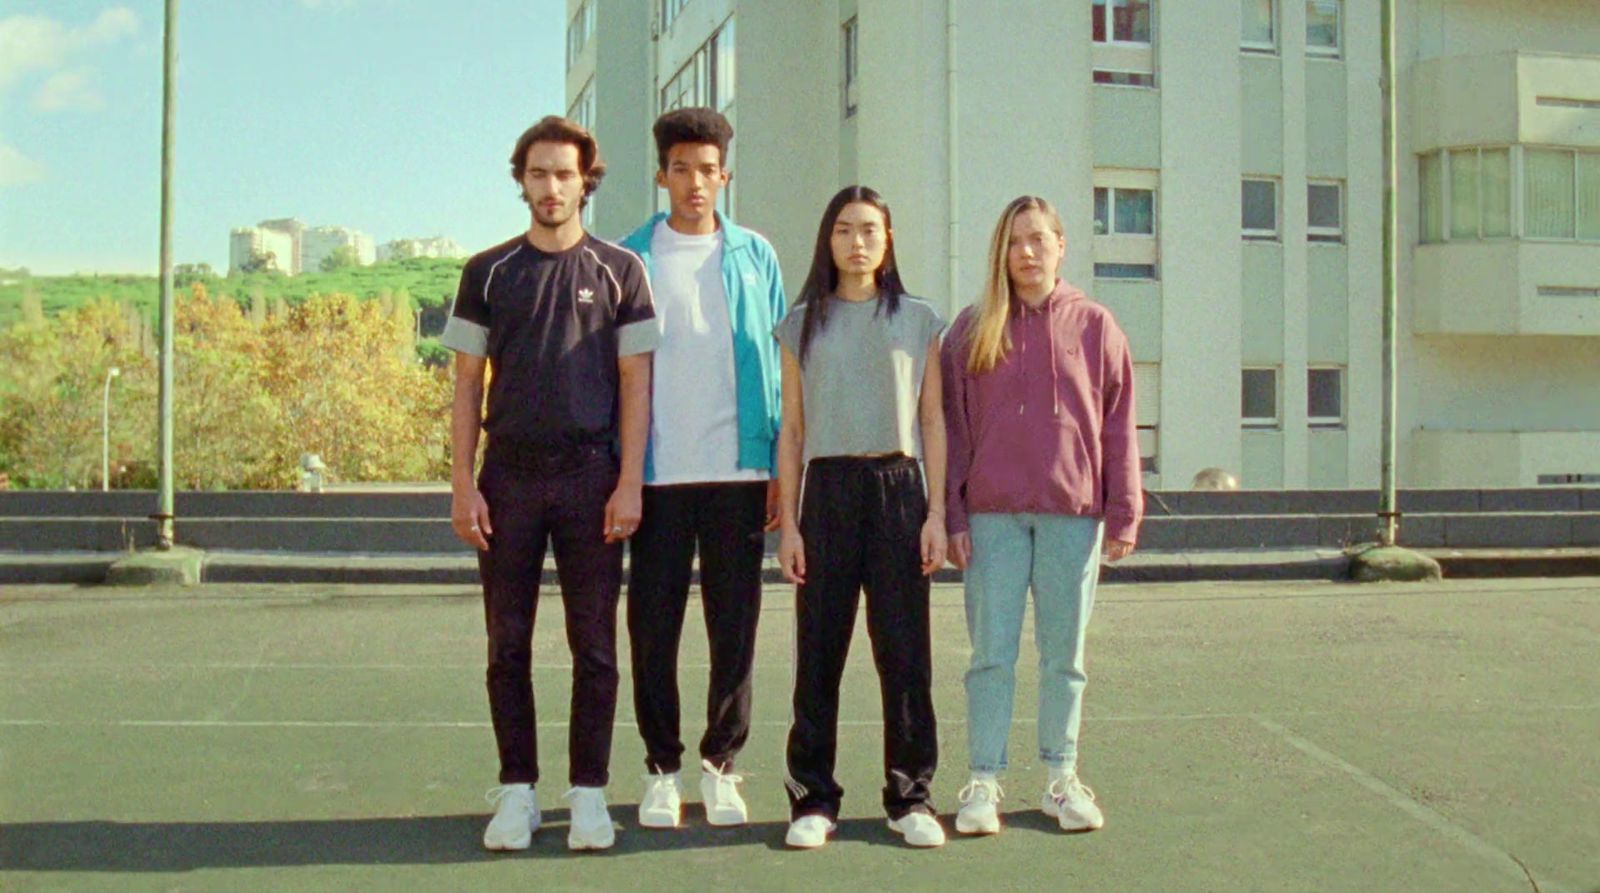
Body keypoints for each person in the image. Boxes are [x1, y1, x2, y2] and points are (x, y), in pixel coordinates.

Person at [442, 115, 657, 853]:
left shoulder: (621, 270)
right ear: (522, 181)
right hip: (507, 480)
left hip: (592, 477)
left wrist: (629, 481)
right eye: (538, 173)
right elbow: (467, 384)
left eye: (565, 174)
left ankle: (589, 795)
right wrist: (462, 484)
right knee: (508, 643)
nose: (551, 186)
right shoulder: (487, 272)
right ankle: (517, 791)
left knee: (594, 644)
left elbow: (637, 383)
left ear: (585, 181)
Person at [942, 195, 1142, 836]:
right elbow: (951, 430)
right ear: (1000, 252)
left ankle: (1061, 776)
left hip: (1071, 516)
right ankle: (984, 781)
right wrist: (951, 514)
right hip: (993, 517)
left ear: (1061, 245)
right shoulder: (971, 330)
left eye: (1038, 239)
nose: (1026, 253)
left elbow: (1118, 425)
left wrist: (1124, 510)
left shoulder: (1096, 326)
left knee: (1064, 656)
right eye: (1013, 242)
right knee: (991, 656)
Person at [616, 107, 786, 829]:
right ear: (662, 174)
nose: (694, 182)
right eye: (680, 168)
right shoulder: (627, 257)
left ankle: (721, 765)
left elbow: (779, 365)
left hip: (738, 475)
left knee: (734, 627)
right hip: (655, 474)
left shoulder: (756, 256)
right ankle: (662, 767)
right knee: (652, 628)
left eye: (707, 169)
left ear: (725, 175)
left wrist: (779, 462)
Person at [774, 185, 948, 850]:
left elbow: (932, 418)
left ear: (889, 239)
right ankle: (813, 797)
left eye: (870, 229)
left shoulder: (919, 318)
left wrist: (935, 511)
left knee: (904, 653)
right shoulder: (801, 324)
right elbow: (791, 429)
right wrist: (789, 525)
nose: (857, 241)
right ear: (828, 239)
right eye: (845, 229)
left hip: (898, 487)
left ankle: (910, 797)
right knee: (819, 650)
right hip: (828, 490)